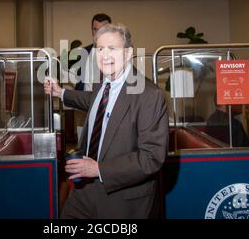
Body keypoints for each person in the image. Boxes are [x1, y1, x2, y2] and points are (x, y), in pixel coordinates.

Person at [44, 24, 169, 218]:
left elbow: (151, 157)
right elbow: (90, 101)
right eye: (100, 49)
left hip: (121, 199)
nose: (105, 55)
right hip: (83, 191)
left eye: (112, 48)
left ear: (128, 53)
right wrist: (60, 92)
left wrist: (98, 169)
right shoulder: (103, 84)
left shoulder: (149, 95)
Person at [73, 13, 112, 91]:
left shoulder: (118, 54)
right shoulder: (83, 52)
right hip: (85, 101)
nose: (99, 34)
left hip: (108, 101)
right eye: (95, 29)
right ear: (92, 30)